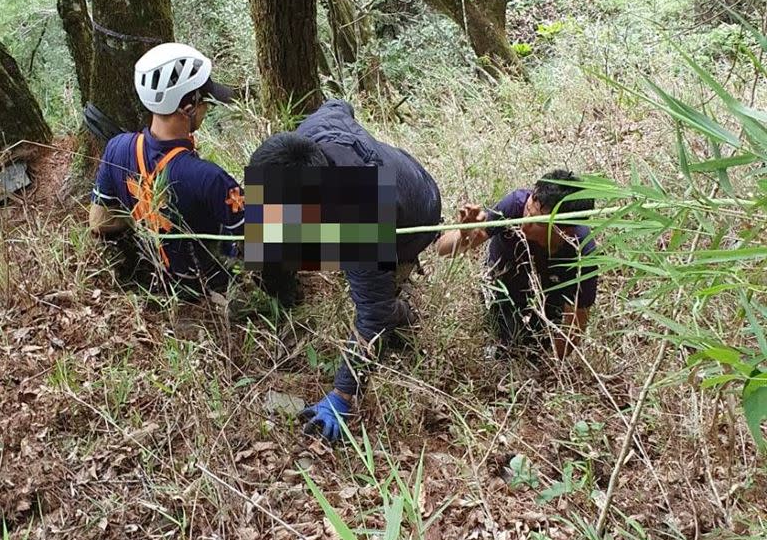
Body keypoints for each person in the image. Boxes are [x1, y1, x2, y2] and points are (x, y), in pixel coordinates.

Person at [247, 100, 442, 443]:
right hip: (386, 174)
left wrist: (342, 395)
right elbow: (339, 106)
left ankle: (406, 313)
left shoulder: (358, 212)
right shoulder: (304, 140)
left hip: (416, 211)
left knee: (380, 304)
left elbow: (372, 316)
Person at [89, 42, 244, 296]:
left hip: (159, 279)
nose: (207, 108)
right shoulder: (208, 177)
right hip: (210, 285)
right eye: (205, 102)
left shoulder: (117, 148)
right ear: (188, 109)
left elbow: (99, 221)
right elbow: (260, 234)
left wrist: (146, 218)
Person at [436, 168, 597, 358]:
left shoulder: (582, 252)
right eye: (528, 210)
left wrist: (551, 366)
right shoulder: (514, 206)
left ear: (565, 231)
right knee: (509, 340)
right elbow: (442, 249)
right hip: (503, 284)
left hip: (548, 300)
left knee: (536, 347)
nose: (524, 223)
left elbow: (576, 323)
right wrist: (464, 234)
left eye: (538, 222)